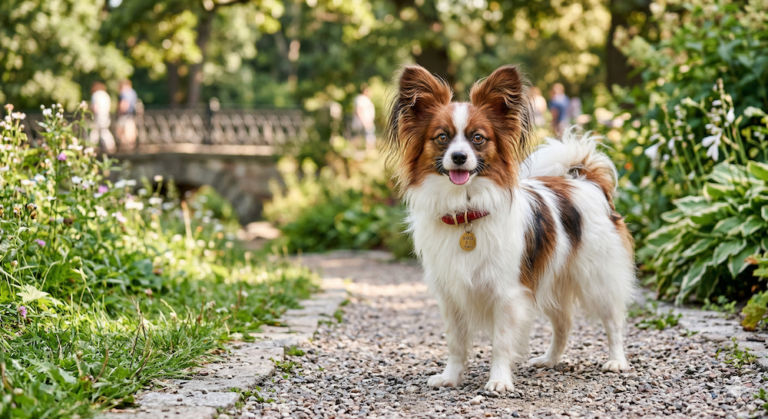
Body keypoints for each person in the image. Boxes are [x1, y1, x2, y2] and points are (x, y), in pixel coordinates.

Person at [90, 82, 115, 153]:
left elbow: (95, 108)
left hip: (98, 116)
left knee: (99, 131)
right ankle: (110, 146)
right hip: (105, 115)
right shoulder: (105, 95)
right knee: (103, 130)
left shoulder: (95, 95)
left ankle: (93, 147)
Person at [351, 84, 376, 151]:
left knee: (366, 136)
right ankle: (368, 151)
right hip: (363, 121)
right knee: (366, 136)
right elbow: (358, 110)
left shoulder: (364, 99)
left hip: (365, 121)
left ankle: (368, 151)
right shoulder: (361, 99)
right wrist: (364, 121)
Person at [116, 79, 138, 150]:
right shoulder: (133, 92)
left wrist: (119, 111)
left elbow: (124, 105)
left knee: (122, 132)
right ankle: (131, 147)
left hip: (124, 115)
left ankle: (125, 148)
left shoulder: (124, 93)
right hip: (131, 115)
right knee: (131, 131)